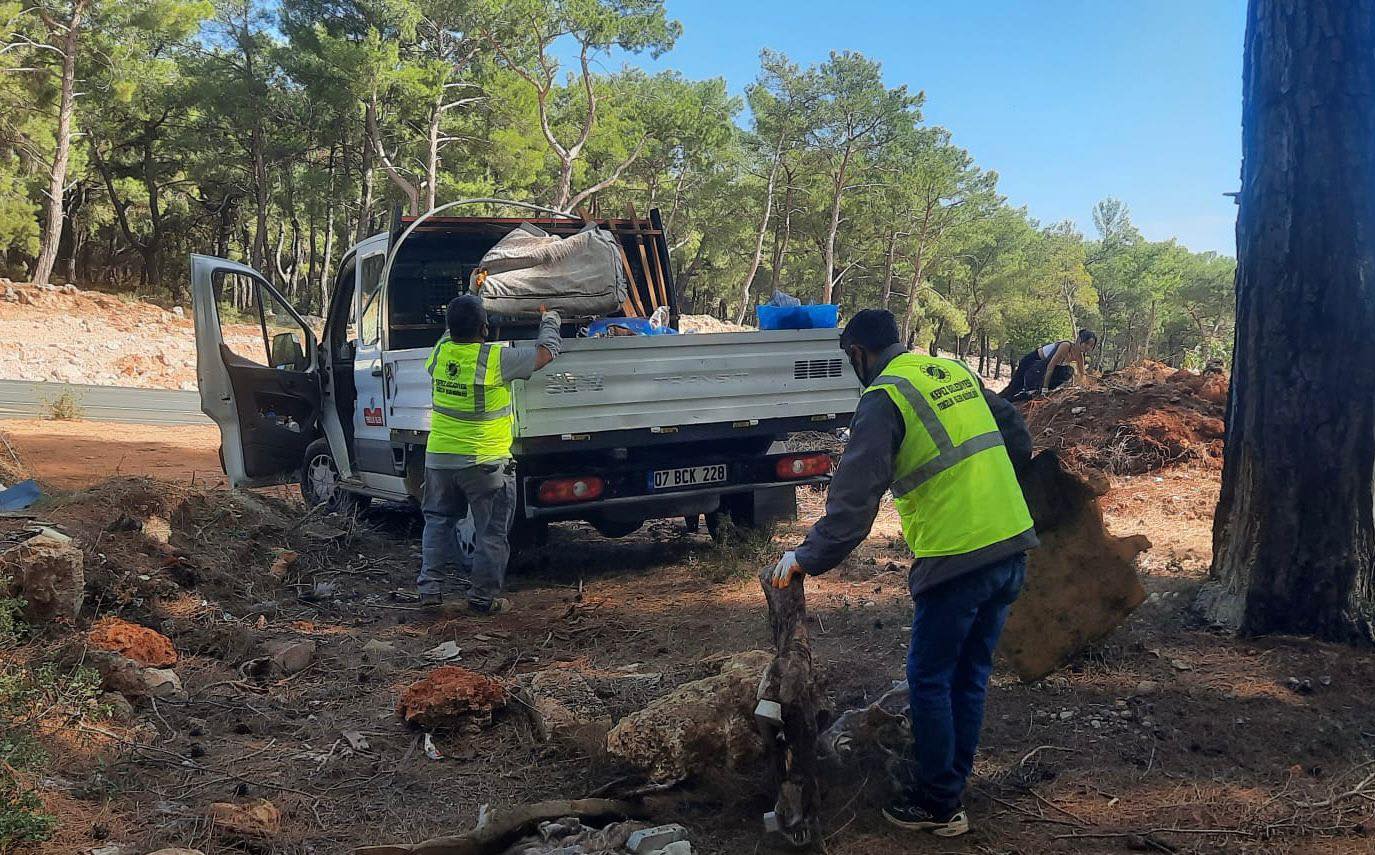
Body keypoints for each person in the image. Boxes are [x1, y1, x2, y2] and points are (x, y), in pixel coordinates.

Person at [768, 309, 1037, 838]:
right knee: (971, 675)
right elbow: (1017, 436)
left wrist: (806, 556)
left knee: (931, 679)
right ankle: (951, 785)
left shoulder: (883, 397)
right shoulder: (952, 372)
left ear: (856, 354)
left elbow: (854, 500)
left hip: (958, 557)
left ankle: (939, 804)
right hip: (1011, 545)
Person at [417, 295, 562, 613]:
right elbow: (545, 354)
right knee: (491, 532)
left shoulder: (441, 353)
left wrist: (473, 293)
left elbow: (450, 331)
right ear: (485, 328)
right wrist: (549, 319)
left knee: (438, 523)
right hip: (485, 464)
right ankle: (483, 599)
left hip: (439, 458)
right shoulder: (495, 359)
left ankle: (429, 592)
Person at [1000, 330, 1098, 401]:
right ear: (1079, 340)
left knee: (1068, 371)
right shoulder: (1066, 346)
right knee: (1014, 388)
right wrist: (1045, 388)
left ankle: (1033, 391)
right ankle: (996, 401)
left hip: (1042, 369)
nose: (1088, 347)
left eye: (1091, 346)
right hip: (1033, 362)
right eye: (1086, 343)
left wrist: (1085, 389)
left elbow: (1082, 374)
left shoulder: (1080, 356)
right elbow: (1050, 366)